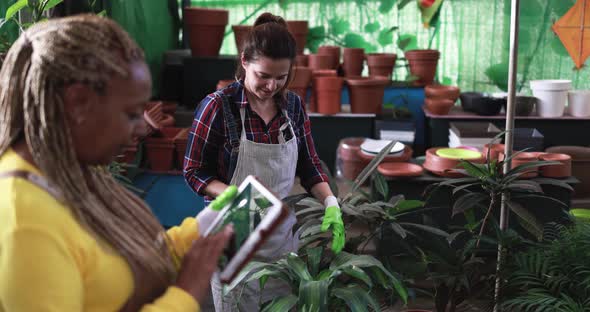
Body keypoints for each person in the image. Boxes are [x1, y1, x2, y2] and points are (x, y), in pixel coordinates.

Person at [0, 15, 236, 311]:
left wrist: (203, 229)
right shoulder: (25, 220)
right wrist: (186, 293)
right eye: (132, 113)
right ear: (78, 103)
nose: (142, 127)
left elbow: (125, 265)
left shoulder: (69, 173)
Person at [183, 12, 345, 311]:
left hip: (282, 236)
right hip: (233, 228)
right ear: (244, 61)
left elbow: (309, 166)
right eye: (263, 76)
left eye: (281, 78)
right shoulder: (218, 107)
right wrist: (232, 195)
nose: (272, 86)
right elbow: (194, 172)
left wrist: (331, 203)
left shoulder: (293, 106)